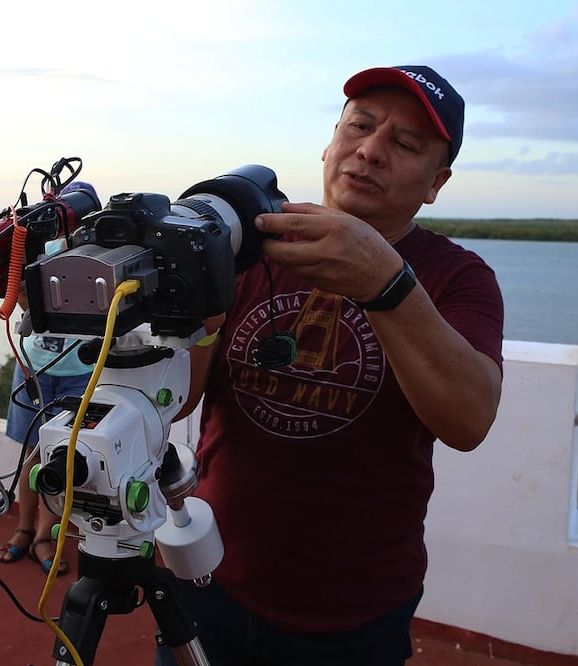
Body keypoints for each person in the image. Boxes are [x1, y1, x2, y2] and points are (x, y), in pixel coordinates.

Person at [157, 66, 504, 665]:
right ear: (329, 143)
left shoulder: (457, 276)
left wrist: (387, 283)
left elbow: (469, 420)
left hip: (357, 607)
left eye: (404, 144)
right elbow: (181, 397)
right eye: (360, 126)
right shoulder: (249, 244)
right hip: (210, 571)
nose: (370, 150)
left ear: (435, 183)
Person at [0, 181, 98, 577]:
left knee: (60, 459)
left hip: (78, 375)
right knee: (29, 456)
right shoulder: (36, 247)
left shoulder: (95, 251)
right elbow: (22, 305)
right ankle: (24, 529)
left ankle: (44, 536)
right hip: (33, 370)